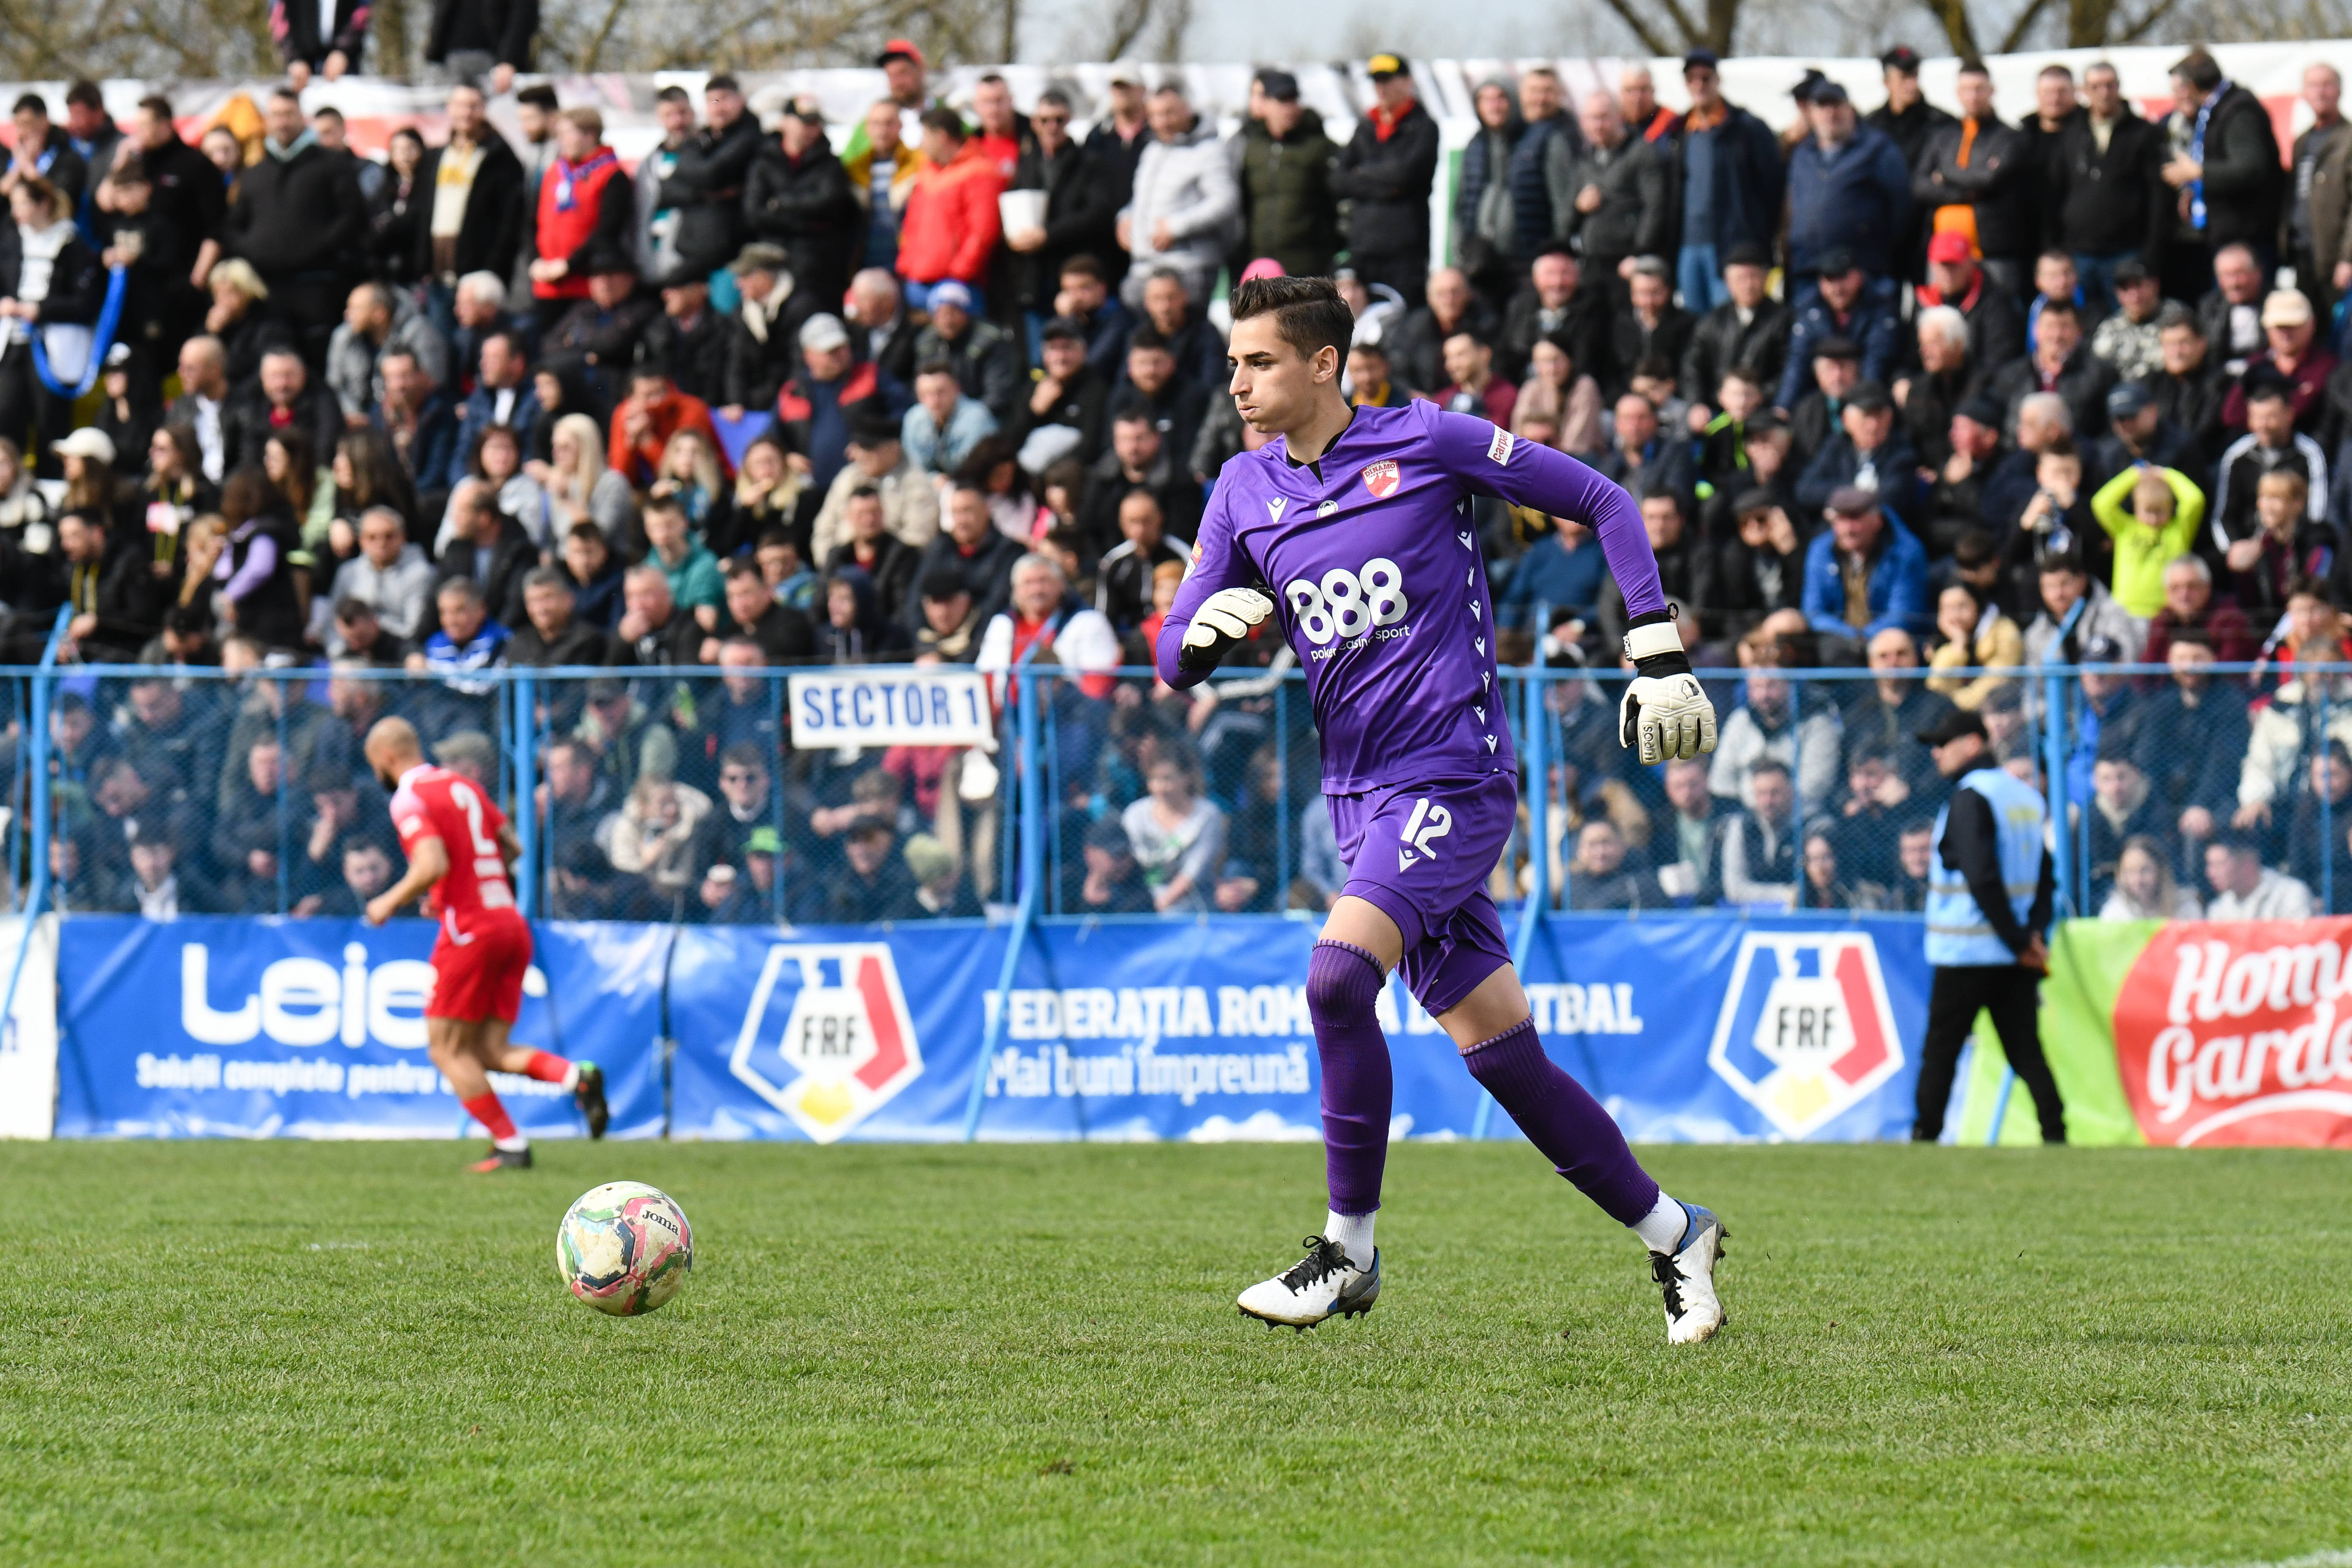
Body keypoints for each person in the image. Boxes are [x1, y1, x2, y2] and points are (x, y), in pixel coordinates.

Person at [1155, 275, 1724, 1342]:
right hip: (1358, 798)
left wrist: (1651, 644)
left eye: (1259, 361)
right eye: (1233, 362)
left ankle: (1348, 1250)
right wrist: (1198, 640)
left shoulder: (1426, 440)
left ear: (1324, 362)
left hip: (1451, 775)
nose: (1237, 381)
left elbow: (1601, 498)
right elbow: (1172, 651)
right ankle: (1674, 1229)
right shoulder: (1239, 489)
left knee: (1334, 979)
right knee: (1502, 1055)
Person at [360, 716, 608, 1171]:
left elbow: (431, 861)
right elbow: (511, 845)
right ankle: (578, 1077)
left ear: (386, 758)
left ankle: (511, 1144)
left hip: (469, 931)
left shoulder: (409, 797)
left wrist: (388, 901)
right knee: (489, 1050)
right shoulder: (463, 785)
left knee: (446, 1049)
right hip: (510, 924)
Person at [1909, 709, 2064, 1146]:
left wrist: (2017, 939)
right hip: (2012, 952)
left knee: (1942, 1049)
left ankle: (1925, 1137)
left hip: (1966, 952)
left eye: (1944, 743)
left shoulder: (1969, 797)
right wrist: (2030, 936)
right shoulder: (2025, 798)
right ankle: (2056, 1133)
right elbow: (2045, 876)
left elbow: (1981, 876)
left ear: (1973, 743)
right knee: (2026, 1050)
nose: (1936, 753)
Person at [1329, 55, 1440, 311]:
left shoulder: (1423, 128)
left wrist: (1361, 174)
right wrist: (1385, 185)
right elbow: (1338, 180)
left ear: (1407, 82)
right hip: (1364, 250)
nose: (1381, 87)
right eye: (1377, 81)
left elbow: (1405, 175)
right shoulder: (1367, 126)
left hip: (1404, 253)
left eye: (1388, 80)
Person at [2203, 834, 2314, 921]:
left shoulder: (2291, 893)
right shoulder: (2219, 908)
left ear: (2247, 864)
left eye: (2219, 864)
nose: (2210, 873)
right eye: (2209, 865)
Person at [2100, 834, 2200, 920]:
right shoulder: (2114, 912)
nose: (2137, 880)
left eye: (2145, 870)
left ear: (2160, 871)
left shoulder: (2186, 909)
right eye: (2130, 872)